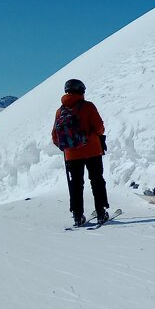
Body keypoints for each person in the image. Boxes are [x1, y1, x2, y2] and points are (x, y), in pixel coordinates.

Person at [51, 78, 110, 226]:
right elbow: (99, 127)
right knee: (97, 181)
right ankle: (101, 212)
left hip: (71, 155)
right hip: (92, 151)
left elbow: (55, 135)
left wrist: (66, 146)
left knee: (76, 184)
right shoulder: (88, 107)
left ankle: (78, 215)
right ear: (81, 91)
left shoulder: (60, 111)